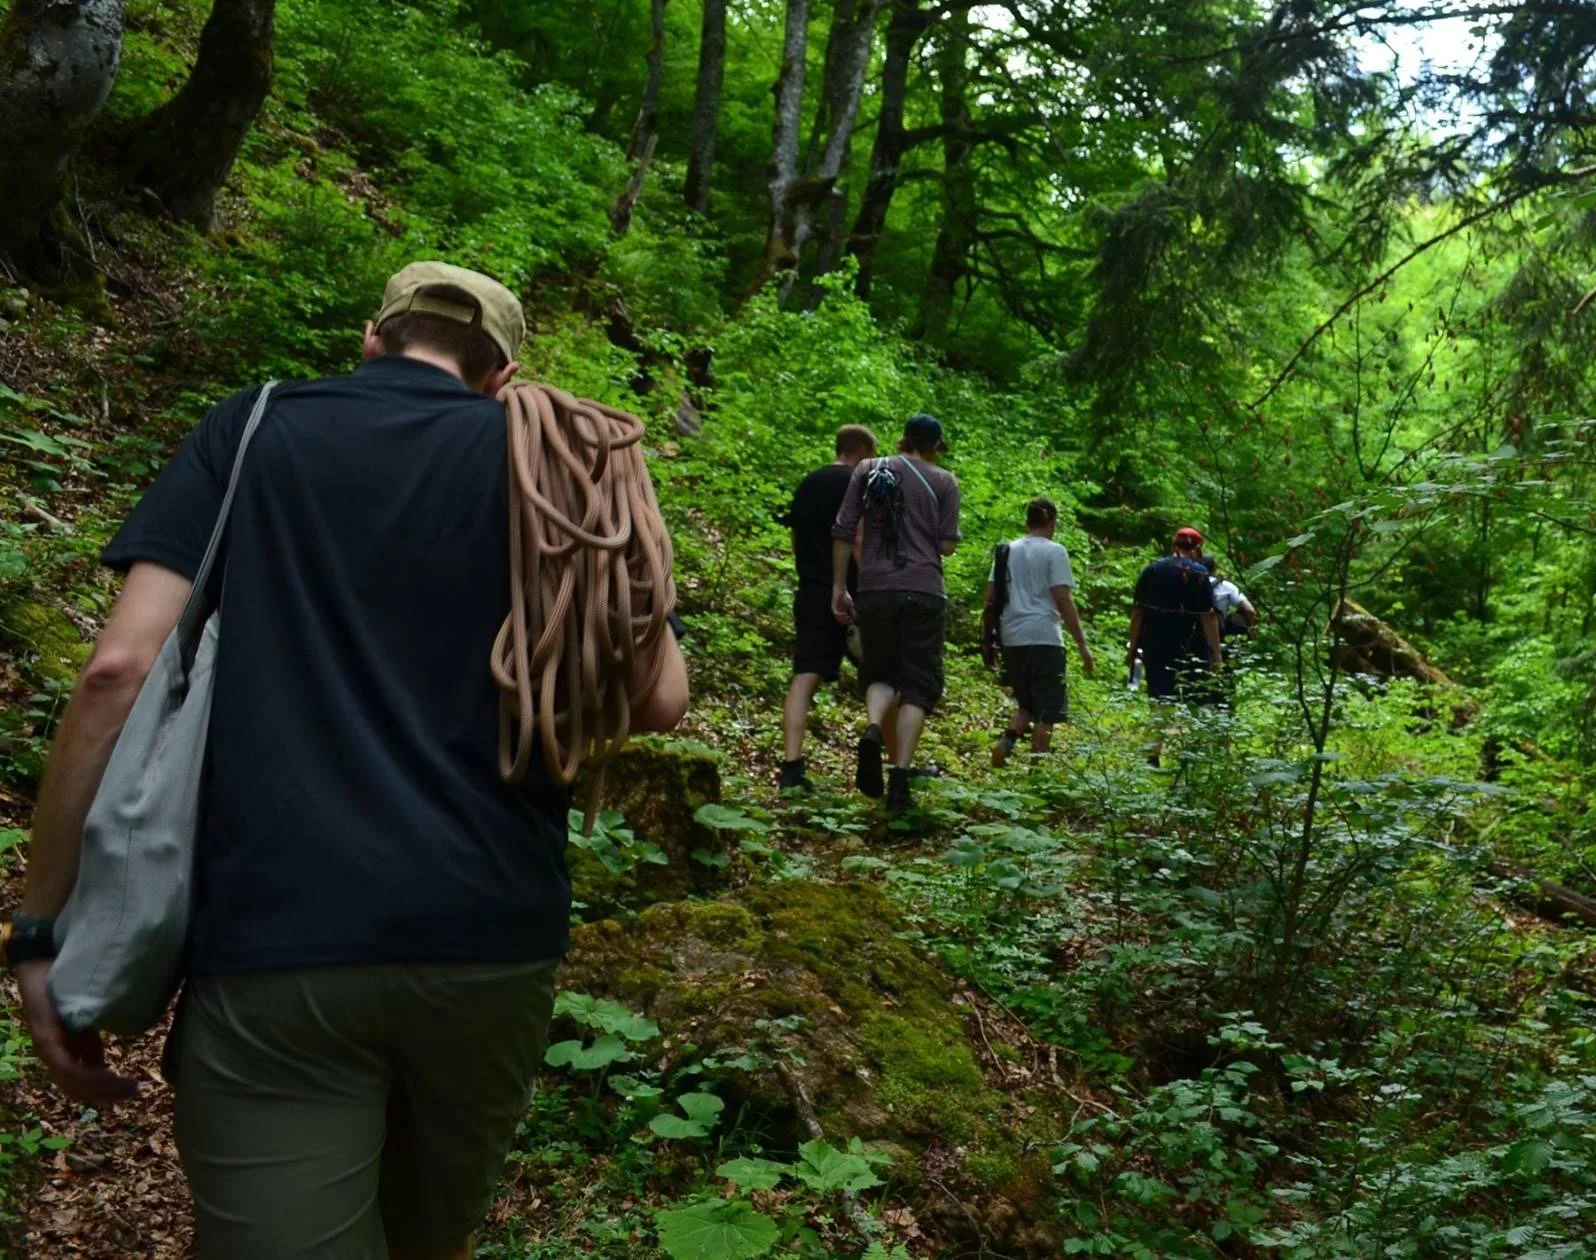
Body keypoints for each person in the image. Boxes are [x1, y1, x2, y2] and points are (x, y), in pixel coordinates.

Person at [7, 262, 690, 1259]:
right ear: (502, 376)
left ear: (372, 339)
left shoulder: (252, 430)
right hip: (493, 940)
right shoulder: (568, 465)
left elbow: (118, 669)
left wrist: (40, 928)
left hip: (281, 942)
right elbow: (659, 698)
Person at [831, 413, 961, 815]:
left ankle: (873, 727)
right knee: (919, 684)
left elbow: (843, 528)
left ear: (904, 439)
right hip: (923, 590)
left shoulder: (868, 469)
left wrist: (839, 587)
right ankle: (900, 779)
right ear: (936, 445)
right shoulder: (944, 481)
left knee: (879, 672)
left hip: (874, 588)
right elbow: (946, 546)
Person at [777, 424, 878, 793]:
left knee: (805, 676)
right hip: (849, 596)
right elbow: (856, 539)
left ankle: (791, 768)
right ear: (862, 451)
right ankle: (897, 764)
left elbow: (795, 539)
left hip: (811, 590)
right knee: (883, 676)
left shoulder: (807, 484)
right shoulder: (856, 484)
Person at [989, 497, 1094, 767]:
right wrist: (1082, 644)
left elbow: (991, 597)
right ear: (1052, 522)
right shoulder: (1055, 551)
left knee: (1026, 702)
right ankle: (1037, 767)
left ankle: (1007, 740)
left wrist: (989, 638)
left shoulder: (1007, 551)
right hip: (1044, 636)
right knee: (1047, 708)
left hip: (1011, 636)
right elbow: (1061, 597)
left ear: (1027, 521)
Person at [1128, 526, 1222, 703]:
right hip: (1192, 643)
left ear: (1174, 546)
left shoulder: (1153, 570)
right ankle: (1191, 729)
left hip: (1156, 643)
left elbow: (1138, 612)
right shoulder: (1199, 573)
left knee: (1160, 696)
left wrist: (1132, 646)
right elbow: (1207, 616)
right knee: (1195, 697)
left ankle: (1161, 728)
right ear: (1197, 549)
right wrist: (1216, 653)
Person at [1206, 556, 1259, 640]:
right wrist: (1252, 628)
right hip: (1219, 630)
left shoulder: (1187, 584)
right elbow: (1250, 610)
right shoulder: (1226, 586)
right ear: (1214, 569)